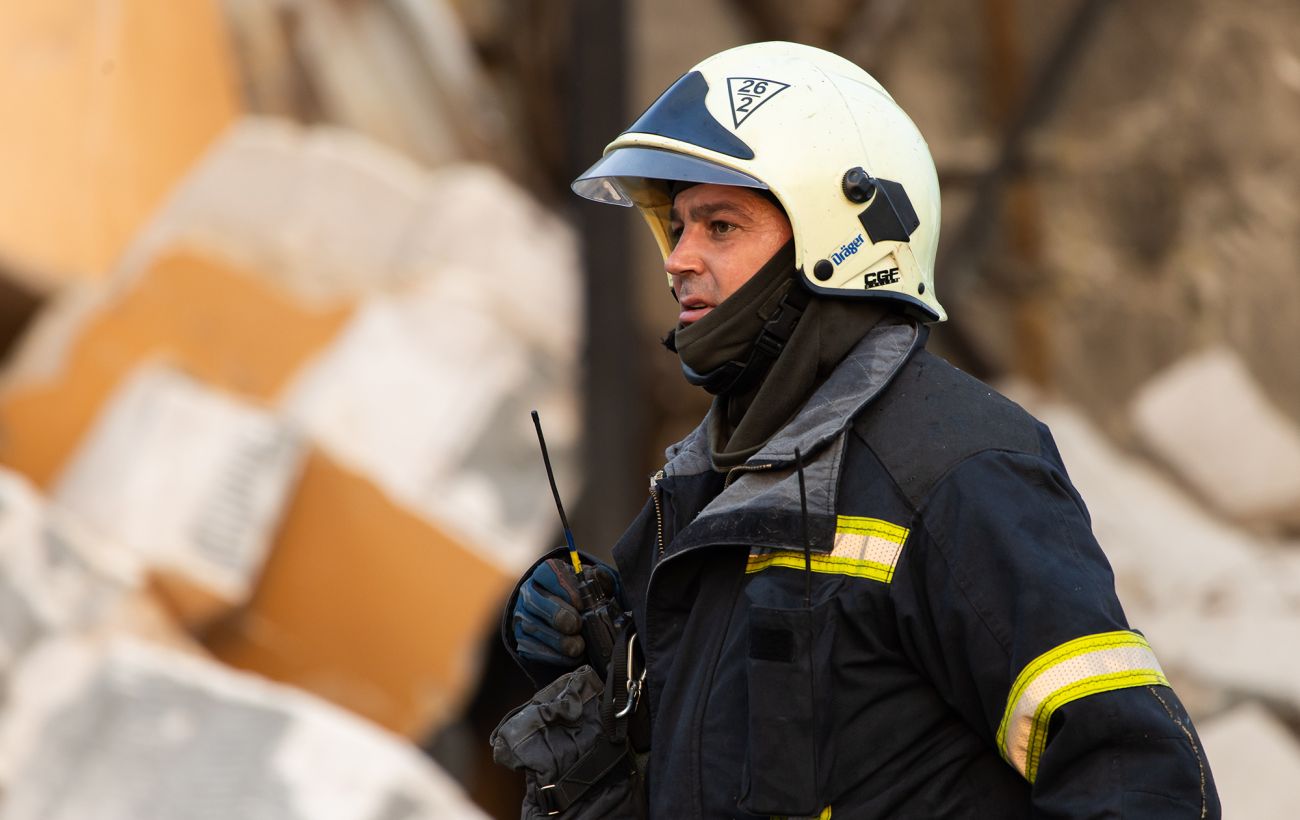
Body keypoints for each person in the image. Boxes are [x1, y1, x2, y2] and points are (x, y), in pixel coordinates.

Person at [502, 41, 1219, 818]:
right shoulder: (712, 473)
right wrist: (607, 637)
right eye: (678, 227)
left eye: (721, 226)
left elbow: (1138, 782)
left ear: (836, 240)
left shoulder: (959, 469)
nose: (678, 259)